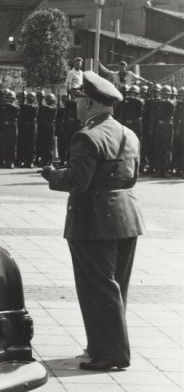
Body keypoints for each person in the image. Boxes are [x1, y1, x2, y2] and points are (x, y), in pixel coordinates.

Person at [41, 71, 145, 371]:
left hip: (94, 220)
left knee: (97, 288)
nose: (76, 104)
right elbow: (131, 176)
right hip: (126, 216)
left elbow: (79, 181)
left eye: (79, 99)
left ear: (89, 102)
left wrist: (53, 176)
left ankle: (112, 354)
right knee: (115, 288)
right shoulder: (128, 133)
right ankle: (102, 346)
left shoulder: (87, 136)